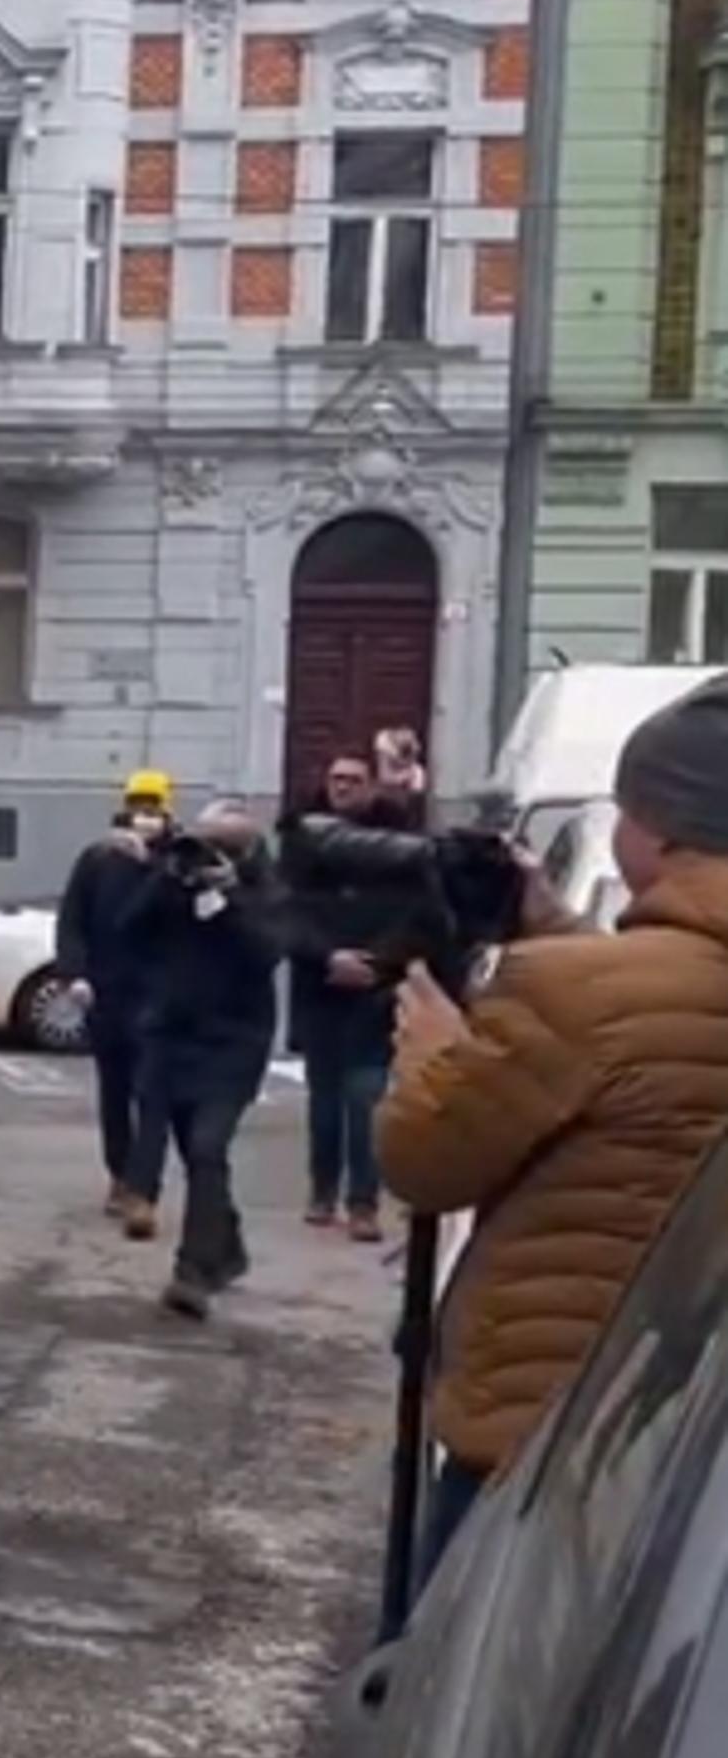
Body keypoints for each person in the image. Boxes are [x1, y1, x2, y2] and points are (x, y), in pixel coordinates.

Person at [378, 674, 728, 1577]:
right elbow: (659, 1012)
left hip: (546, 1433)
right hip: (689, 1452)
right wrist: (559, 929)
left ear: (658, 829)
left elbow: (423, 1162)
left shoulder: (574, 997)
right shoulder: (603, 985)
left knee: (458, 1701)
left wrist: (430, 1052)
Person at [121, 798, 288, 1319]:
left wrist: (230, 892)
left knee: (208, 1145)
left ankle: (192, 1273)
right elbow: (128, 928)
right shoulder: (176, 881)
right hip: (172, 1034)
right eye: (207, 842)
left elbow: (268, 950)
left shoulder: (268, 890)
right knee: (198, 1156)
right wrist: (168, 873)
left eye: (225, 847)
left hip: (234, 1040)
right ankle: (228, 1249)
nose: (211, 855)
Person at [280, 748, 419, 1241]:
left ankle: (363, 1203)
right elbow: (289, 916)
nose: (342, 787)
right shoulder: (303, 843)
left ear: (371, 786)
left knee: (366, 1097)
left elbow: (416, 918)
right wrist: (328, 957)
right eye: (336, 778)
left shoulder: (399, 844)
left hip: (373, 995)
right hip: (321, 990)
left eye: (353, 780)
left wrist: (377, 964)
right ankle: (322, 1190)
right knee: (324, 1098)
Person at [56, 769, 175, 1236]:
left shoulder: (175, 862)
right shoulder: (98, 859)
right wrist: (75, 973)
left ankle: (143, 1187)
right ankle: (120, 1174)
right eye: (138, 806)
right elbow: (73, 919)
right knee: (115, 1091)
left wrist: (156, 862)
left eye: (153, 807)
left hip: (158, 998)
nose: (144, 816)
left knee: (154, 1093)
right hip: (107, 992)